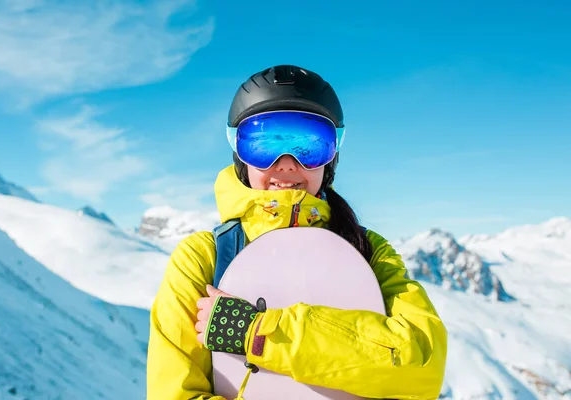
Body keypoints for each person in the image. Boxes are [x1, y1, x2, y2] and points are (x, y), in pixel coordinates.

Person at [147, 65, 448, 399]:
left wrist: (257, 332)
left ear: (330, 159)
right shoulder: (204, 257)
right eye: (263, 144)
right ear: (240, 157)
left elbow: (423, 368)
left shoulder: (367, 250)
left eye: (309, 145)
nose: (287, 163)